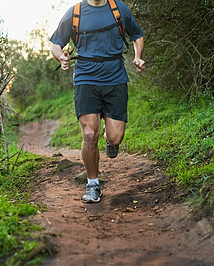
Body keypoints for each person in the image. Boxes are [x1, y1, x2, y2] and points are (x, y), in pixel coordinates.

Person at [50, 0, 145, 203]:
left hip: (115, 79)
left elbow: (137, 34)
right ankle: (92, 185)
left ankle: (109, 139)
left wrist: (138, 57)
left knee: (115, 138)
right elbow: (56, 43)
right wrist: (61, 58)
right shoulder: (74, 12)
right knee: (89, 133)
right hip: (86, 79)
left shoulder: (119, 9)